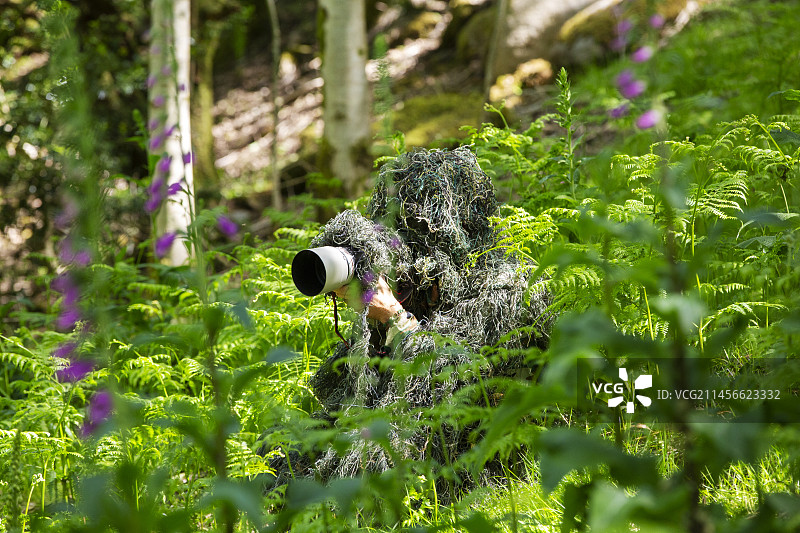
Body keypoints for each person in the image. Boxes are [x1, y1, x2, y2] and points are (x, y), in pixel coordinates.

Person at [273, 147, 552, 493]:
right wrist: (373, 319)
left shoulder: (506, 290)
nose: (403, 243)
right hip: (410, 431)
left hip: (477, 450)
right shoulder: (417, 285)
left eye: (418, 226)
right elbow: (368, 388)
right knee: (290, 455)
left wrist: (397, 318)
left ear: (459, 226)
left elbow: (462, 383)